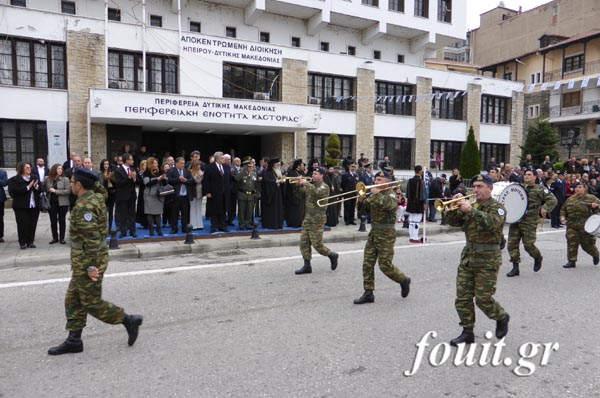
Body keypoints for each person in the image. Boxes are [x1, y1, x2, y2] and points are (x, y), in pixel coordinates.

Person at [47, 168, 143, 355]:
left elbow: (90, 239)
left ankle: (129, 320)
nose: (72, 184)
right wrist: (92, 179)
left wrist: (91, 267)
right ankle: (74, 340)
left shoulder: (84, 207)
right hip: (86, 260)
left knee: (91, 303)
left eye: (73, 181)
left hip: (88, 261)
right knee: (72, 299)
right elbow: (102, 190)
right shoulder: (97, 197)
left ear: (79, 185)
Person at [445, 174, 510, 346]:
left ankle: (501, 316)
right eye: (474, 186)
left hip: (488, 259)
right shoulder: (470, 204)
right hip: (468, 257)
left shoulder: (497, 207)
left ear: (490, 188)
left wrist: (471, 211)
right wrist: (453, 206)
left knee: (483, 299)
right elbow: (451, 222)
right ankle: (467, 332)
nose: (475, 190)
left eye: (480, 186)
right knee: (462, 298)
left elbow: (492, 224)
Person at [353, 171, 411, 304]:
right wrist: (361, 200)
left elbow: (389, 206)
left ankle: (403, 279)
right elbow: (362, 212)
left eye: (379, 180)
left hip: (386, 235)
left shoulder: (391, 194)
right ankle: (368, 293)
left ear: (387, 182)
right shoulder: (374, 194)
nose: (375, 182)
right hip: (374, 233)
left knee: (385, 265)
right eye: (375, 179)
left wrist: (376, 194)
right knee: (367, 264)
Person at [506, 169, 557, 277]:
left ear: (535, 177)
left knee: (528, 245)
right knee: (512, 244)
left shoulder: (540, 189)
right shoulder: (519, 188)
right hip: (516, 219)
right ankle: (515, 267)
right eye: (525, 175)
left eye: (529, 175)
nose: (526, 176)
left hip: (530, 220)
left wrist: (545, 208)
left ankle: (537, 257)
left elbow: (553, 200)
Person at [294, 167, 339, 275]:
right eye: (313, 173)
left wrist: (306, 183)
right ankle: (307, 265)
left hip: (317, 220)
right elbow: (301, 194)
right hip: (308, 218)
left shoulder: (324, 187)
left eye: (315, 174)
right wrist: (298, 185)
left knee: (317, 244)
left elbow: (317, 193)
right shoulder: (312, 186)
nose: (313, 175)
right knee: (304, 243)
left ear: (321, 176)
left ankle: (332, 255)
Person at [560, 182, 600, 268]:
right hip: (572, 225)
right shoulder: (570, 199)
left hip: (586, 226)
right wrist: (562, 216)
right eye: (575, 187)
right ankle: (571, 261)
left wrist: (596, 206)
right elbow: (563, 209)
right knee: (572, 242)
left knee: (587, 245)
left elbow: (598, 209)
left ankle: (595, 254)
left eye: (579, 187)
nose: (577, 189)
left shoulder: (592, 198)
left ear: (585, 188)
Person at [8, 162, 41, 249]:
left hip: (34, 205)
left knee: (32, 224)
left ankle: (30, 242)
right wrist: (27, 187)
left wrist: (36, 186)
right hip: (21, 206)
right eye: (27, 168)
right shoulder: (14, 180)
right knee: (22, 224)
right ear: (21, 169)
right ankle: (22, 242)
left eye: (30, 167)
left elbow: (41, 189)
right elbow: (14, 192)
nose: (29, 169)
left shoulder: (34, 178)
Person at [167, 157, 196, 234]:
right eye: (181, 163)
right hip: (175, 196)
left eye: (183, 163)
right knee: (174, 214)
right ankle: (174, 228)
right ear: (176, 163)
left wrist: (186, 180)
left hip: (185, 196)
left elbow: (192, 181)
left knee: (185, 213)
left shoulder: (187, 171)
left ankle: (185, 228)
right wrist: (179, 179)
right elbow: (169, 180)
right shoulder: (171, 171)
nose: (183, 165)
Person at [113, 153, 138, 238]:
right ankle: (123, 232)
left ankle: (133, 231)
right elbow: (119, 183)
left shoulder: (133, 169)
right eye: (131, 159)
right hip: (123, 196)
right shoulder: (118, 170)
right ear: (126, 160)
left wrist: (134, 178)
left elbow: (138, 182)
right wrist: (129, 178)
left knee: (132, 214)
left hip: (132, 195)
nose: (133, 161)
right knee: (123, 214)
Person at [204, 152, 230, 233]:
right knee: (214, 209)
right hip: (214, 193)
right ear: (217, 159)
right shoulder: (209, 167)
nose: (224, 159)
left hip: (224, 193)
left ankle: (222, 225)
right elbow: (206, 180)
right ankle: (214, 225)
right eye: (222, 158)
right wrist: (207, 192)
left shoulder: (226, 167)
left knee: (223, 209)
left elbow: (229, 179)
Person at [45, 164, 70, 244]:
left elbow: (68, 191)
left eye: (61, 169)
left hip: (62, 203)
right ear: (54, 169)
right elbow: (44, 188)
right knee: (53, 221)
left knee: (62, 220)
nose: (60, 170)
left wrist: (56, 191)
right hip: (51, 203)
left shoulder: (65, 179)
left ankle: (62, 238)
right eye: (58, 168)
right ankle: (54, 238)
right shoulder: (48, 179)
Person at [142, 157, 167, 236]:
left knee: (158, 213)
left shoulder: (160, 171)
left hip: (158, 195)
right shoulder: (146, 172)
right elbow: (147, 184)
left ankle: (159, 230)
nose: (157, 164)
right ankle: (151, 230)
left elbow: (165, 183)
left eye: (157, 163)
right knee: (149, 213)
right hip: (149, 195)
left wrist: (163, 179)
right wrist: (158, 179)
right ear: (151, 164)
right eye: (155, 163)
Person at [235, 159, 259, 230]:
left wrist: (257, 193)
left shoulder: (254, 173)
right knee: (241, 211)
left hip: (251, 195)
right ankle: (241, 224)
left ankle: (248, 224)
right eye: (249, 166)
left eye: (252, 166)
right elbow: (236, 179)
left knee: (250, 210)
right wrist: (242, 171)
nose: (251, 168)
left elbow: (256, 184)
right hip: (242, 194)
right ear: (246, 167)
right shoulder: (241, 173)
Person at [260, 157, 284, 229]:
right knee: (272, 210)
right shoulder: (267, 172)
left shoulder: (279, 172)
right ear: (273, 164)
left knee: (278, 209)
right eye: (277, 164)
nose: (279, 166)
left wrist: (282, 182)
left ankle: (278, 224)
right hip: (271, 195)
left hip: (278, 193)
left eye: (279, 164)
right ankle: (271, 224)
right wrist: (276, 182)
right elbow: (266, 181)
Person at [406, 165, 426, 243]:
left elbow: (407, 193)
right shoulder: (421, 181)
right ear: (420, 171)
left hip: (411, 203)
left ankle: (411, 236)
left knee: (411, 220)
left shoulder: (410, 180)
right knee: (416, 221)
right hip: (418, 203)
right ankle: (415, 237)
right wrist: (424, 203)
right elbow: (423, 194)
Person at [284, 159, 305, 228]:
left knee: (301, 211)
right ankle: (293, 223)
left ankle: (300, 223)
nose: (303, 166)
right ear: (298, 166)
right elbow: (290, 185)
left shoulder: (302, 173)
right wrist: (298, 181)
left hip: (301, 195)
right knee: (294, 212)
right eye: (302, 165)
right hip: (293, 196)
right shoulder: (292, 173)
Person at [99, 159, 116, 230]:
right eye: (104, 164)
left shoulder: (112, 173)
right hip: (103, 194)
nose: (106, 166)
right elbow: (100, 184)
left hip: (111, 193)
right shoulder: (100, 174)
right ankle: (104, 227)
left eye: (107, 164)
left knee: (111, 211)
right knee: (103, 211)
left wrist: (110, 178)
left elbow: (115, 183)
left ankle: (110, 227)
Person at [188, 158, 204, 230]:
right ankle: (193, 224)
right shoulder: (190, 172)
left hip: (200, 191)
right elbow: (194, 181)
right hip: (193, 191)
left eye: (200, 165)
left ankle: (200, 224)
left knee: (199, 207)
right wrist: (200, 177)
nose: (199, 166)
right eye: (198, 165)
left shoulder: (201, 172)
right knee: (193, 207)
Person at [0, 166, 7, 243]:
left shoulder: (2, 172)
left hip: (0, 199)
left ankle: (0, 236)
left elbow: (5, 183)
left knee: (0, 218)